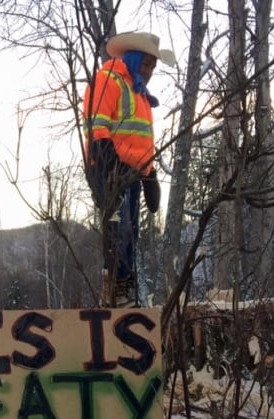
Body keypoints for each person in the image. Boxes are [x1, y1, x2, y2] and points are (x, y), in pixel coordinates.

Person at [83, 31, 175, 308]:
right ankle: (113, 291)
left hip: (133, 175)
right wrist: (110, 167)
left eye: (152, 67)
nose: (148, 72)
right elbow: (97, 127)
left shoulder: (140, 96)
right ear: (133, 59)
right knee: (118, 231)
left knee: (131, 235)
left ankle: (124, 290)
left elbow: (142, 142)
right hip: (109, 172)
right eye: (145, 64)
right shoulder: (108, 80)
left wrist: (150, 175)